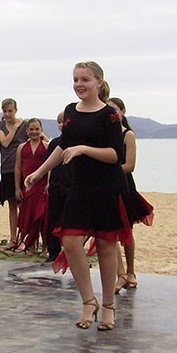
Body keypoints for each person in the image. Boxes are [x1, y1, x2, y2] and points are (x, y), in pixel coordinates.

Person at [25, 61, 129, 331]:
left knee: (106, 246)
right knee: (70, 242)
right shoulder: (71, 111)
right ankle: (88, 301)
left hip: (106, 186)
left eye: (85, 79)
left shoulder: (110, 116)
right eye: (75, 79)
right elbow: (63, 148)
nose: (79, 84)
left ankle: (108, 307)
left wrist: (84, 148)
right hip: (79, 186)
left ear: (99, 82)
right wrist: (39, 172)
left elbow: (116, 155)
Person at [109, 97, 154, 293]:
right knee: (111, 230)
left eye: (115, 110)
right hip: (106, 186)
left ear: (122, 112)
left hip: (124, 184)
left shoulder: (128, 135)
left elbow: (130, 165)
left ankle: (131, 272)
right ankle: (120, 274)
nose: (112, 114)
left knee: (126, 231)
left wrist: (108, 171)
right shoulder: (105, 134)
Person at [14, 118, 50, 253]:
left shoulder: (46, 146)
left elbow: (50, 167)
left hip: (42, 185)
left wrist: (48, 183)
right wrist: (17, 187)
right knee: (28, 215)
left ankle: (45, 246)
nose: (34, 132)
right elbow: (18, 168)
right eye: (32, 129)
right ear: (27, 131)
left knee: (42, 216)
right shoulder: (21, 147)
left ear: (41, 130)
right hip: (27, 186)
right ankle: (32, 245)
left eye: (37, 129)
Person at [0, 98, 26, 248]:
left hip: (22, 169)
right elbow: (5, 142)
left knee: (23, 205)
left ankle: (25, 239)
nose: (7, 114)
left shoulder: (25, 125)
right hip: (7, 169)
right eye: (5, 111)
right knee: (12, 205)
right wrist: (14, 127)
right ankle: (14, 238)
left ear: (16, 110)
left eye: (10, 111)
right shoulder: (0, 125)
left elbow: (40, 138)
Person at [44, 111, 72, 262]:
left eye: (64, 121)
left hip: (71, 185)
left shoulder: (76, 143)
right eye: (59, 122)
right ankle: (53, 251)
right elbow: (50, 164)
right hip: (56, 183)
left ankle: (70, 252)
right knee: (53, 219)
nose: (62, 125)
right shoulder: (54, 143)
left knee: (70, 221)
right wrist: (48, 182)